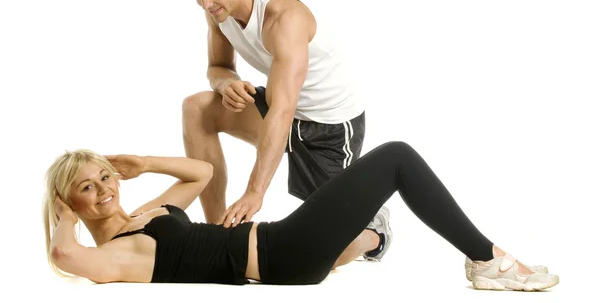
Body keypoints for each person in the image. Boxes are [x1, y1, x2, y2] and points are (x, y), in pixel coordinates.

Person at [43, 141, 559, 291]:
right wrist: (61, 210)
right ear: (73, 202)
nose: (104, 189)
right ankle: (486, 259)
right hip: (279, 253)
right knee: (396, 158)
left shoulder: (147, 214)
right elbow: (65, 254)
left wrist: (141, 164)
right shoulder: (111, 255)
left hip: (279, 247)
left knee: (360, 219)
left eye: (105, 177)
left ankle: (366, 240)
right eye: (87, 187)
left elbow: (200, 172)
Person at [177, 0, 386, 266]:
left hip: (329, 126)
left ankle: (374, 230)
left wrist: (254, 193)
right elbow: (217, 67)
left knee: (321, 255)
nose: (205, 4)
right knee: (196, 108)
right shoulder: (217, 12)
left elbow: (282, 111)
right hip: (281, 107)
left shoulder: (283, 18)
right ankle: (216, 232)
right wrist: (225, 83)